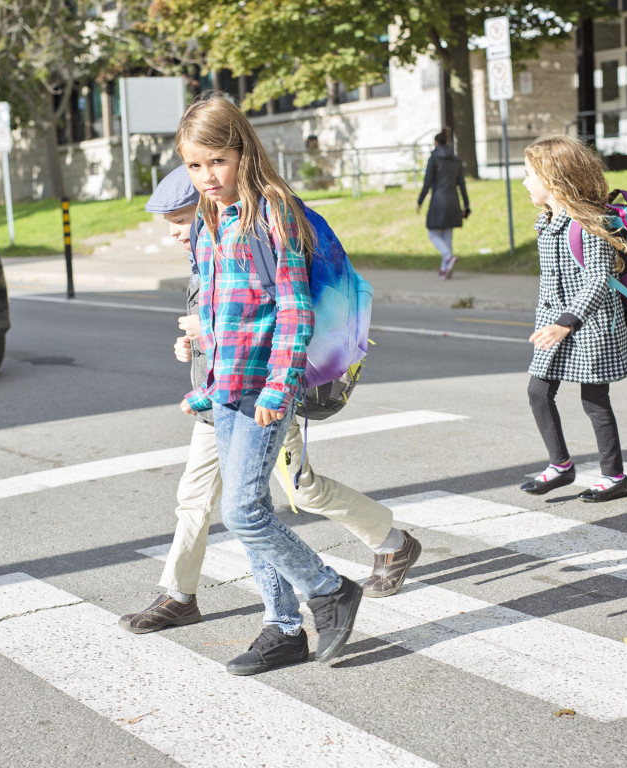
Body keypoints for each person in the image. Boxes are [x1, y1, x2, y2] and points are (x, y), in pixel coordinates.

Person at [120, 167, 421, 648]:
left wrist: (209, 336)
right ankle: (182, 595)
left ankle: (391, 544)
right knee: (196, 500)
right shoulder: (205, 250)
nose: (174, 232)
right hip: (218, 399)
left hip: (263, 395)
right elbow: (219, 322)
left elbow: (274, 316)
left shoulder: (251, 232)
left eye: (178, 219)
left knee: (298, 491)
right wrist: (192, 344)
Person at [171, 93, 367, 675]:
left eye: (218, 161)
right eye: (195, 165)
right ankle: (282, 629)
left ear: (244, 152)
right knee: (247, 510)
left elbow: (292, 309)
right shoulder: (210, 219)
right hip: (226, 387)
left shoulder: (271, 212)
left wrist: (280, 388)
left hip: (263, 390)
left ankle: (328, 589)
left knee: (244, 511)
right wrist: (201, 359)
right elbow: (219, 307)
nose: (207, 175)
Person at [518, 134, 627, 503]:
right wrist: (549, 322)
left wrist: (568, 320)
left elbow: (599, 278)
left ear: (552, 179)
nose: (524, 183)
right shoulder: (546, 221)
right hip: (555, 323)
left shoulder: (588, 223)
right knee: (538, 391)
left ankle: (614, 476)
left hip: (590, 324)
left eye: (527, 174)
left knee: (595, 401)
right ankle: (561, 465)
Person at [416, 129, 471, 280]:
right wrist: (466, 204)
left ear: (436, 143)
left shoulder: (433, 158)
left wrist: (420, 201)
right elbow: (462, 183)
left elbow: (427, 183)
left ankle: (448, 256)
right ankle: (444, 269)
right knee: (447, 235)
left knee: (433, 233)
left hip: (438, 200)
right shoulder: (456, 159)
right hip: (453, 200)